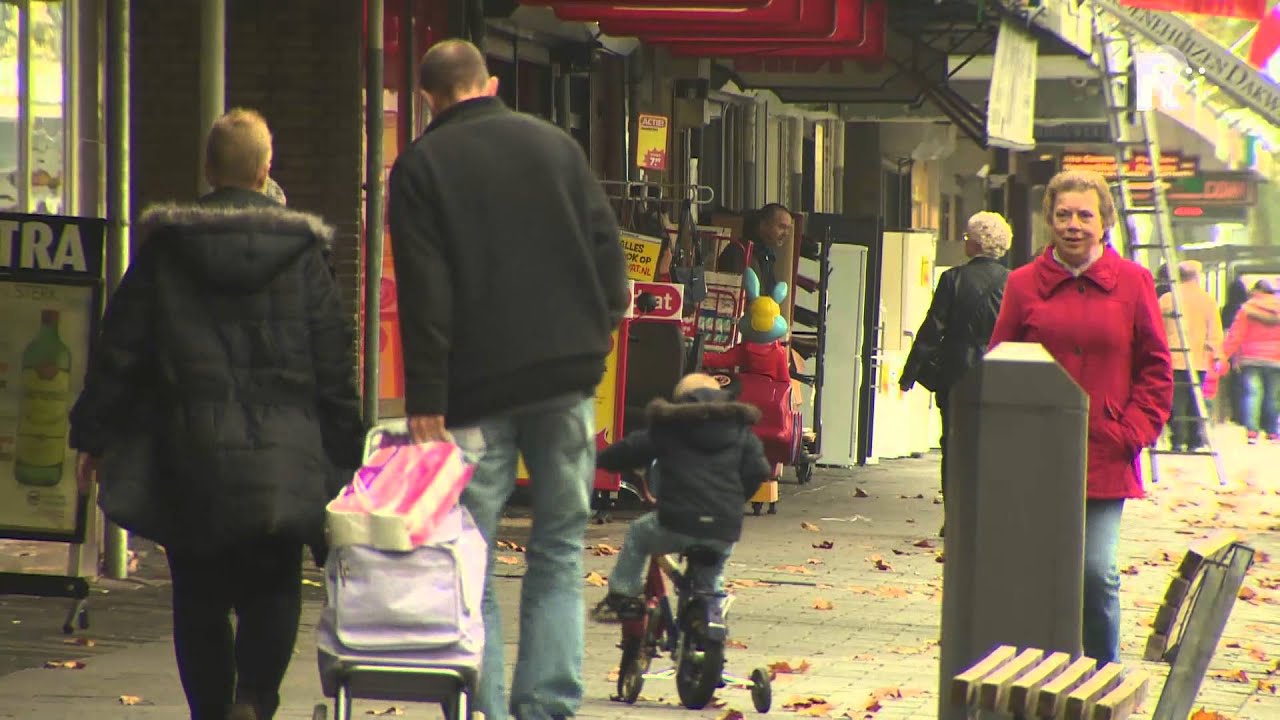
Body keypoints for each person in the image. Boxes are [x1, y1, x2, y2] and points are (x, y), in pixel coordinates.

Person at [68, 108, 363, 720]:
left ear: (208, 169)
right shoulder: (304, 254)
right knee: (275, 584)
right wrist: (347, 452)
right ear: (265, 170)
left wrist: (93, 433)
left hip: (191, 455)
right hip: (284, 463)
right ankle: (254, 698)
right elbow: (332, 361)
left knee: (198, 595)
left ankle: (211, 709)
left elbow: (121, 348)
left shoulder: (166, 250)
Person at [387, 39, 629, 720]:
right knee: (559, 547)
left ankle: (485, 708)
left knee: (472, 557)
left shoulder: (421, 165)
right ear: (489, 83)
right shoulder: (556, 146)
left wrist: (426, 395)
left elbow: (424, 289)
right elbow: (607, 252)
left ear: (429, 97)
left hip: (476, 391)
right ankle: (547, 705)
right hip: (565, 381)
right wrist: (597, 331)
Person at [988, 169, 1172, 665]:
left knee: (1096, 572)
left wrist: (1131, 432)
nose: (1073, 225)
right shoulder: (1022, 284)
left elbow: (1156, 367)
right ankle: (1038, 673)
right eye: (1063, 215)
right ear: (1049, 220)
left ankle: (1103, 674)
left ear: (1104, 221)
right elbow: (1000, 363)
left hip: (1105, 452)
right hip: (1037, 457)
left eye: (1084, 215)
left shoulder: (1133, 282)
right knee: (1038, 575)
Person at [592, 373, 771, 616]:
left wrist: (599, 459)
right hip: (723, 525)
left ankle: (622, 595)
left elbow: (630, 450)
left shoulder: (671, 426)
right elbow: (759, 470)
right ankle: (711, 613)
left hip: (677, 521)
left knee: (638, 534)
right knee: (710, 577)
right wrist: (736, 500)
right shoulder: (741, 431)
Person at [899, 211, 1012, 524]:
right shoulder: (1013, 282)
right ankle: (986, 515)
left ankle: (955, 517)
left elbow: (933, 327)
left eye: (966, 237)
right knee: (991, 445)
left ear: (975, 244)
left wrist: (910, 372)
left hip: (956, 374)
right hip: (998, 374)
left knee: (953, 444)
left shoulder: (952, 279)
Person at [1157, 260, 1224, 452]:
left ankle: (1177, 439)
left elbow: (1157, 327)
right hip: (1198, 358)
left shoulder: (1167, 299)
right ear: (1197, 276)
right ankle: (1194, 439)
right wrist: (1216, 354)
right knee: (1195, 399)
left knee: (1174, 400)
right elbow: (1214, 331)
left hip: (1172, 357)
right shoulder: (1207, 300)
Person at [1222, 279, 1280, 444]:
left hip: (1250, 358)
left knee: (1252, 393)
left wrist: (1224, 354)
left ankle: (1252, 432)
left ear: (1257, 291)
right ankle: (1272, 432)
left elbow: (1236, 335)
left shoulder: (1247, 309)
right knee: (1273, 396)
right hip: (1276, 359)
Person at [717, 203, 793, 295]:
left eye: (788, 229)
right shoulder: (739, 251)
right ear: (763, 225)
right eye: (781, 227)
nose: (786, 234)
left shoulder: (767, 254)